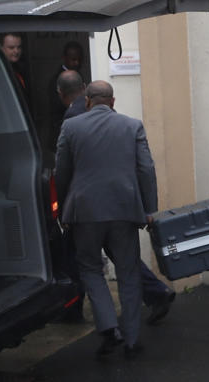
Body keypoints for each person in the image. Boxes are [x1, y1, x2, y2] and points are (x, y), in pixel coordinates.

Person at [55, 70, 176, 325]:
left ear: (62, 94)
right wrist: (148, 208)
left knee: (83, 262)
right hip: (119, 204)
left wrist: (65, 209)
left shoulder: (74, 119)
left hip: (88, 207)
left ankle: (82, 313)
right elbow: (146, 168)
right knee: (124, 262)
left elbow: (64, 171)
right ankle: (151, 300)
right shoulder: (126, 123)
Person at [47, 41, 85, 149]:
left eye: (79, 59)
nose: (77, 63)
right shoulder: (57, 80)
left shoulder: (78, 74)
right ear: (64, 58)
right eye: (73, 59)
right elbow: (57, 107)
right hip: (61, 132)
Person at [0, 33, 30, 103]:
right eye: (11, 48)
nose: (16, 51)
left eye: (19, 47)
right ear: (1, 48)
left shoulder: (18, 69)